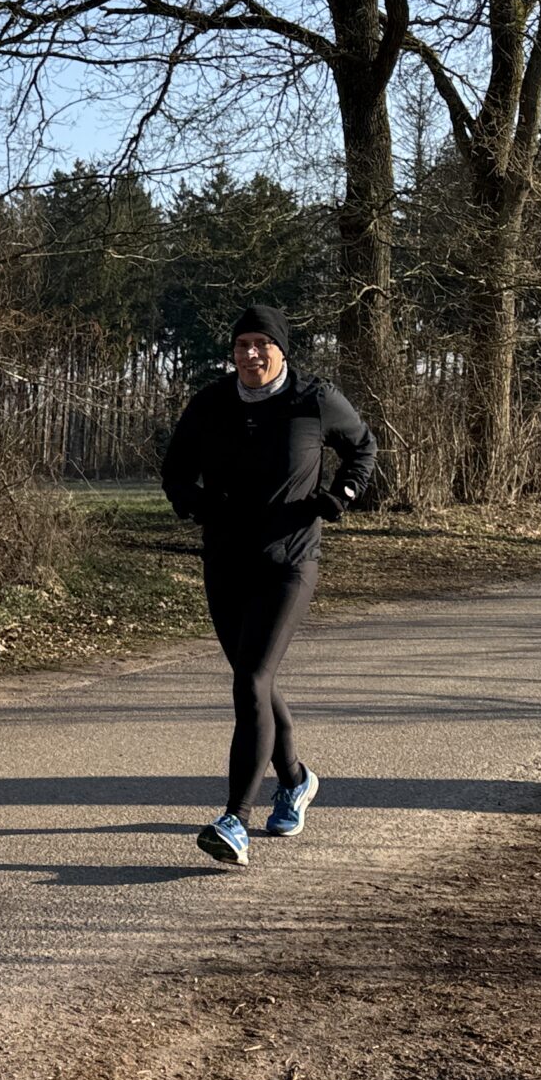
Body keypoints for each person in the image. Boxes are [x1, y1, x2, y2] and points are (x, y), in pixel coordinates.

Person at [160, 302, 378, 868]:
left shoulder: (314, 399)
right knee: (253, 679)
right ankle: (296, 779)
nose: (251, 353)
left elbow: (362, 447)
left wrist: (341, 495)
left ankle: (234, 819)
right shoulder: (211, 403)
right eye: (242, 345)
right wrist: (195, 504)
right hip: (226, 560)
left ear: (282, 350)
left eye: (262, 344)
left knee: (253, 679)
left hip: (289, 561)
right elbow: (175, 469)